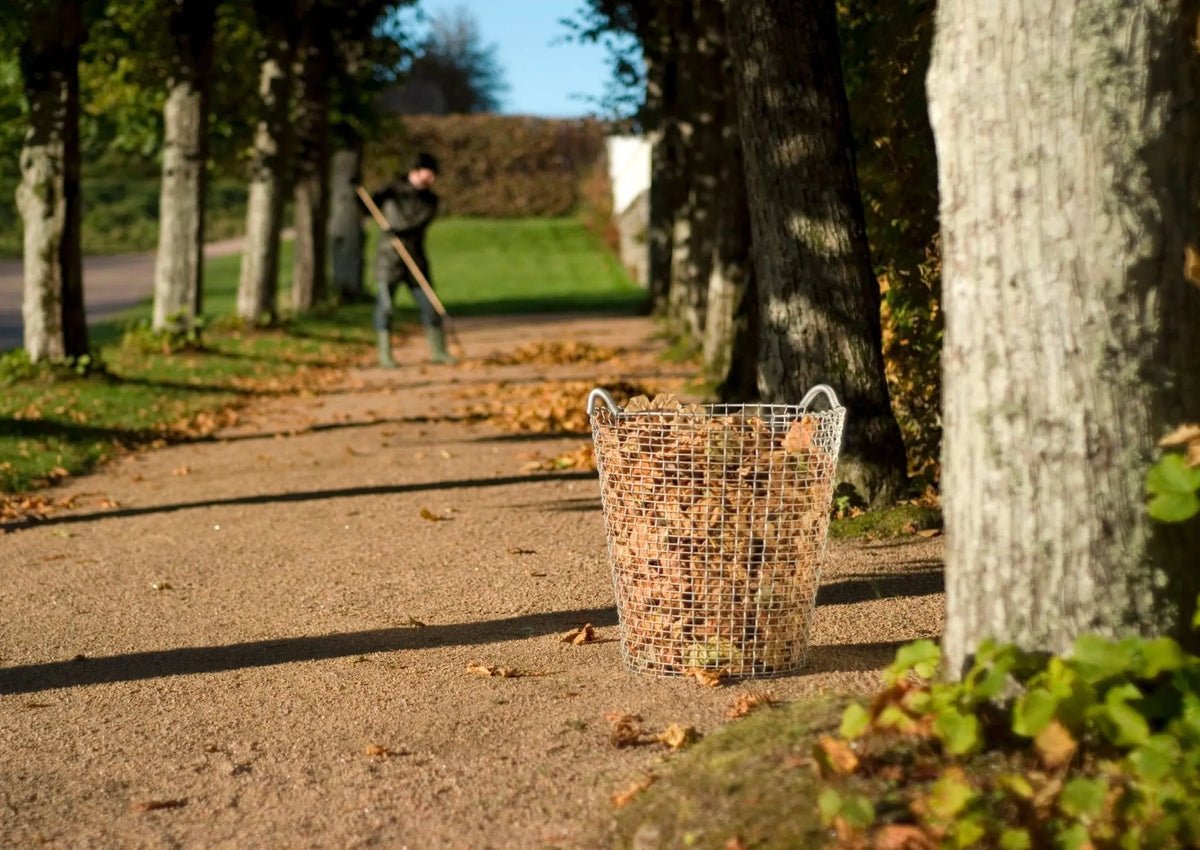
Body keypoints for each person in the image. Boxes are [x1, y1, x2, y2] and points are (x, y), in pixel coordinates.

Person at [371, 152, 456, 367]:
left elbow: (417, 224)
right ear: (416, 171)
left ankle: (439, 352)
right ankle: (385, 356)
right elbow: (368, 206)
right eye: (430, 172)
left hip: (415, 259)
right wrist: (360, 193)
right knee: (386, 307)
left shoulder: (430, 200)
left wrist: (397, 231)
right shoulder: (392, 191)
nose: (433, 178)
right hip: (388, 259)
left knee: (429, 305)